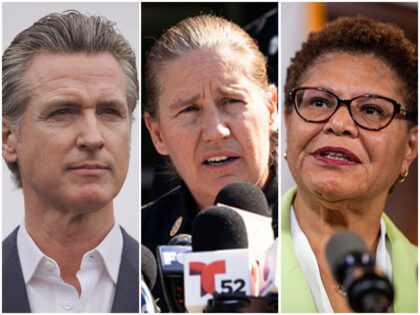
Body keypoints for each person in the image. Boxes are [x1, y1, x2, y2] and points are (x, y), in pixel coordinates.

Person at [2, 11, 139, 312]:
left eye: (110, 112)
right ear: (8, 138)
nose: (92, 137)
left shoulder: (175, 285)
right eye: (63, 112)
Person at [142, 14, 278, 311]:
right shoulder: (134, 247)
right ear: (157, 133)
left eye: (231, 101)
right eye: (190, 109)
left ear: (271, 110)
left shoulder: (325, 223)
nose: (216, 131)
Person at [282, 15, 417, 312]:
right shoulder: (238, 258)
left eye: (371, 109)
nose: (339, 123)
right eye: (318, 102)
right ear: (288, 122)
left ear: (410, 147)